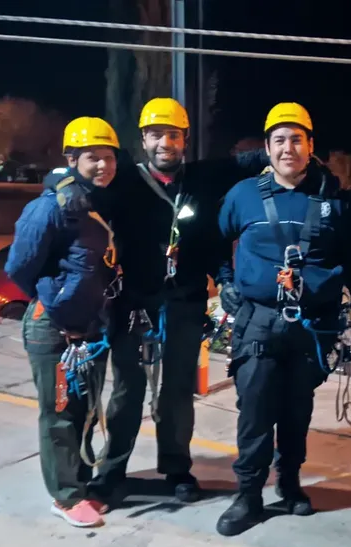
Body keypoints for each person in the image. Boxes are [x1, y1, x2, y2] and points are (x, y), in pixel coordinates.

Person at [90, 98, 270, 506]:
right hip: (133, 302)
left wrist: (293, 146)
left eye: (173, 134)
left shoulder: (204, 178)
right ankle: (112, 469)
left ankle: (176, 468)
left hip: (185, 301)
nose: (164, 142)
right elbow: (81, 186)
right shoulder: (124, 181)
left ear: (185, 140)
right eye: (156, 134)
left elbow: (253, 161)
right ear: (143, 140)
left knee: (175, 393)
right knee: (127, 390)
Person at [213, 102, 351, 537]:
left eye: (296, 139)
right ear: (267, 148)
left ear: (310, 145)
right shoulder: (243, 195)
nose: (288, 148)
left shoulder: (332, 200)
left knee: (297, 411)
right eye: (279, 140)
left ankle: (290, 482)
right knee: (256, 410)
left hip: (312, 326)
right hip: (258, 320)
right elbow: (214, 240)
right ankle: (248, 494)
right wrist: (224, 278)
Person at [4, 116, 122, 528]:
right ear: (72, 158)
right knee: (58, 415)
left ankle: (80, 485)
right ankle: (65, 496)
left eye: (109, 157)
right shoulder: (49, 208)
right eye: (93, 158)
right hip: (53, 329)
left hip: (90, 330)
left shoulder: (97, 203)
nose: (103, 166)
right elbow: (18, 267)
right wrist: (54, 297)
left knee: (84, 411)